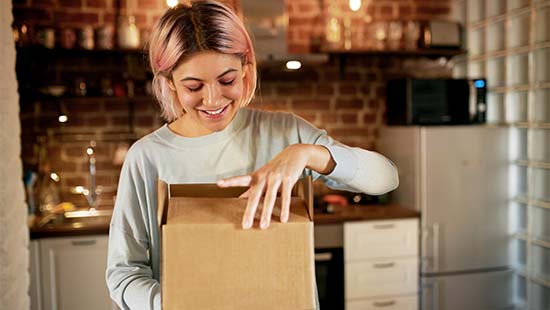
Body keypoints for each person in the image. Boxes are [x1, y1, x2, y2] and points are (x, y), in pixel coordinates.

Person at [106, 1, 399, 309]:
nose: (213, 98)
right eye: (194, 86)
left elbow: (386, 178)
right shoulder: (146, 158)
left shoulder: (285, 133)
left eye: (227, 80)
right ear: (169, 85)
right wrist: (178, 302)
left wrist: (307, 153)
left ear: (246, 70)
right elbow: (124, 274)